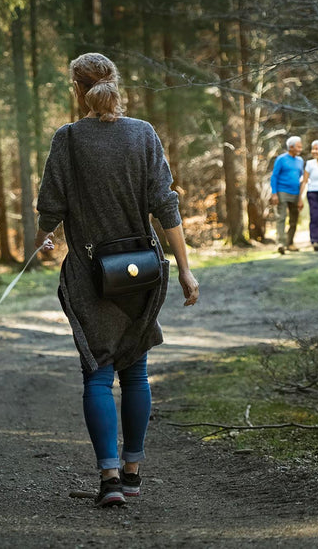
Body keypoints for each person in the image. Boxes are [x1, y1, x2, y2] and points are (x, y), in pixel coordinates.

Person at [35, 53, 200, 508]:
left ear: (77, 89)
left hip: (91, 274)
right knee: (136, 370)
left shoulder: (67, 140)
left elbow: (50, 208)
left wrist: (45, 239)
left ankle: (108, 479)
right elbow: (165, 206)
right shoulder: (143, 134)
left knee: (97, 374)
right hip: (142, 271)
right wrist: (184, 267)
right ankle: (132, 473)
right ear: (114, 85)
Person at [269, 136, 305, 254]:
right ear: (291, 147)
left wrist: (300, 198)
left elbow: (301, 179)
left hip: (295, 192)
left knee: (294, 219)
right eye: (298, 146)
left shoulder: (300, 161)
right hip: (282, 192)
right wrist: (274, 193)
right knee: (281, 218)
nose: (301, 148)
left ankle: (290, 243)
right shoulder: (281, 159)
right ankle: (281, 243)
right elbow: (274, 176)